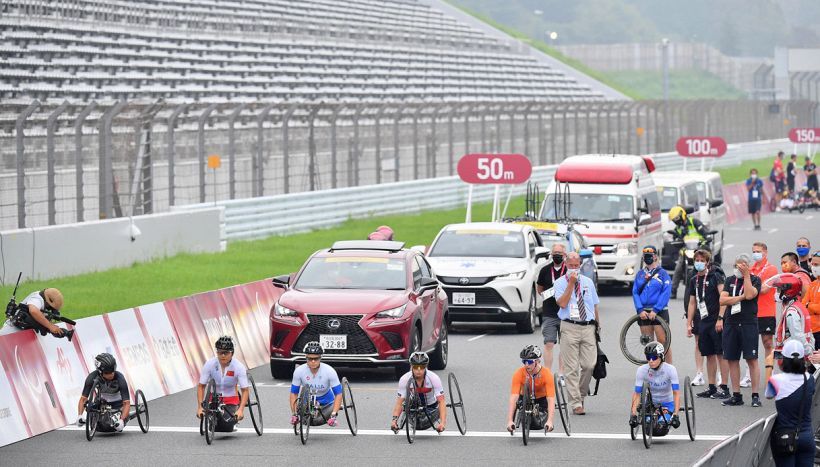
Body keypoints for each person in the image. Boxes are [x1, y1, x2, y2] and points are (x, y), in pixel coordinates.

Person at [554, 251, 600, 415]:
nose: (574, 268)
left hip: (588, 326)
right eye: (571, 266)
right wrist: (571, 284)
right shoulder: (560, 283)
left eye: (576, 265)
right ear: (566, 264)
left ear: (580, 264)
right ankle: (575, 403)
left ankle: (579, 395)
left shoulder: (588, 281)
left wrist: (597, 325)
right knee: (571, 368)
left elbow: (594, 305)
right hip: (569, 326)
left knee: (589, 365)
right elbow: (563, 303)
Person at [718, 254, 761, 407]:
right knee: (732, 359)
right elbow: (722, 300)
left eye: (743, 265)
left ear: (748, 266)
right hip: (731, 323)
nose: (739, 268)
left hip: (748, 323)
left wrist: (747, 276)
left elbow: (750, 295)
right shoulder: (729, 280)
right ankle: (736, 395)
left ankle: (755, 395)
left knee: (751, 359)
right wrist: (741, 297)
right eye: (737, 265)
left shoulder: (755, 280)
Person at [686, 249, 730, 399]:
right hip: (702, 321)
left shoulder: (715, 277)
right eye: (696, 260)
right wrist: (689, 323)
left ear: (707, 262)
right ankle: (711, 387)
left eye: (702, 260)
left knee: (720, 353)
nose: (699, 263)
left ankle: (724, 387)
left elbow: (723, 298)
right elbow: (692, 303)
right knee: (708, 353)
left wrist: (720, 318)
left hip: (715, 320)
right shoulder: (694, 280)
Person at [766, 339, 815, 467]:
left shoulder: (776, 380)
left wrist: (769, 366)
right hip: (806, 436)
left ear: (783, 360)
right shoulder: (809, 379)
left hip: (785, 438)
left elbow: (768, 395)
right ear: (803, 359)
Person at [197, 336, 249, 432]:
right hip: (213, 399)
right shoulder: (210, 364)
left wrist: (241, 410)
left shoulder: (238, 367)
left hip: (231, 400)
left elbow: (245, 390)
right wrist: (200, 407)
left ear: (232, 353)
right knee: (214, 427)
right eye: (220, 352)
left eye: (226, 353)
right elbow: (201, 386)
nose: (223, 355)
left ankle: (230, 422)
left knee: (227, 428)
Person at [629, 342, 680, 437]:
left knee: (661, 426)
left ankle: (666, 418)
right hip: (651, 404)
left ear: (661, 357)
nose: (651, 361)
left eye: (654, 357)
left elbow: (676, 393)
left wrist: (676, 415)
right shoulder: (642, 370)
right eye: (648, 357)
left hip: (668, 403)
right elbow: (637, 393)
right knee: (649, 426)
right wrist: (633, 414)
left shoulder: (671, 370)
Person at [632, 245, 673, 363]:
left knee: (663, 341)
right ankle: (651, 369)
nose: (648, 258)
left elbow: (666, 292)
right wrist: (639, 310)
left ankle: (668, 368)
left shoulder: (663, 273)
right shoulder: (640, 274)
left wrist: (656, 309)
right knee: (648, 343)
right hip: (643, 312)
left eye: (650, 255)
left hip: (659, 311)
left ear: (655, 256)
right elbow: (635, 292)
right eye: (645, 256)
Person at [290, 342, 343, 427]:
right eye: (310, 359)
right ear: (306, 358)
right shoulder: (299, 371)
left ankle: (330, 414)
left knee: (318, 420)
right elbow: (293, 393)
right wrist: (294, 414)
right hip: (307, 402)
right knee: (305, 420)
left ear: (320, 358)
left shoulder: (329, 371)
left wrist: (334, 414)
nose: (313, 361)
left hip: (327, 403)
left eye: (316, 358)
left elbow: (339, 394)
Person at [391, 351, 446, 433]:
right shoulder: (404, 379)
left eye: (422, 367)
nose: (418, 370)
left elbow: (441, 401)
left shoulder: (434, 378)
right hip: (413, 407)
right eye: (416, 367)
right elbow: (399, 403)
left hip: (431, 408)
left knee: (424, 421)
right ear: (411, 366)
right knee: (405, 402)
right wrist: (394, 421)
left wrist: (442, 423)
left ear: (426, 366)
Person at [506, 345, 555, 433]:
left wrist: (550, 421)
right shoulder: (518, 373)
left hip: (541, 399)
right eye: (524, 361)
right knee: (525, 412)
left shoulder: (546, 374)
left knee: (538, 419)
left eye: (529, 361)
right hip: (525, 397)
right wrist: (509, 420)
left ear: (537, 361)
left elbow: (551, 399)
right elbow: (514, 397)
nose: (526, 365)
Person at [76, 353, 131, 432]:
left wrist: (122, 420)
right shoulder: (92, 377)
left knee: (113, 426)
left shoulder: (120, 378)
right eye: (107, 373)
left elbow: (126, 403)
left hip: (118, 403)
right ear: (100, 372)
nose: (111, 374)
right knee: (98, 424)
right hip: (101, 402)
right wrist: (80, 415)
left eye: (113, 371)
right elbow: (83, 399)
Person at [750, 242, 779, 383]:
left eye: (759, 251)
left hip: (767, 311)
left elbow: (764, 289)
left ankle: (770, 371)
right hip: (751, 312)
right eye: (754, 251)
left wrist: (751, 288)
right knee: (750, 344)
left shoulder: (771, 269)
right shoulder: (750, 269)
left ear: (765, 253)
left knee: (767, 343)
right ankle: (749, 375)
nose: (756, 253)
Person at [667, 205, 709, 299]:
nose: (676, 221)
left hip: (700, 250)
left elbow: (705, 232)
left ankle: (711, 284)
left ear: (682, 214)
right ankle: (673, 290)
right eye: (674, 220)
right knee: (678, 268)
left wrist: (707, 237)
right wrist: (677, 240)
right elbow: (676, 238)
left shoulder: (694, 222)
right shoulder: (677, 229)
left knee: (710, 263)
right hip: (685, 251)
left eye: (677, 218)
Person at [537, 243, 566, 373]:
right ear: (551, 255)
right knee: (549, 343)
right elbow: (540, 289)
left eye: (560, 254)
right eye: (555, 254)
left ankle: (561, 373)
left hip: (565, 313)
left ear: (564, 255)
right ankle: (547, 373)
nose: (557, 256)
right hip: (549, 312)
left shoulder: (568, 270)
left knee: (564, 345)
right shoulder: (544, 270)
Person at [1, 287, 72, 340]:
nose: (49, 310)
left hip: (22, 333)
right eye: (50, 308)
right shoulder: (37, 299)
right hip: (12, 330)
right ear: (47, 302)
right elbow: (33, 311)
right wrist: (50, 326)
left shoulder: (41, 295)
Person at [772, 273, 815, 358]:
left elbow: (797, 336)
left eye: (778, 290)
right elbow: (809, 332)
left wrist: (807, 351)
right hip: (801, 353)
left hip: (794, 355)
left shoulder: (791, 312)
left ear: (787, 291)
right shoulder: (798, 306)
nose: (776, 293)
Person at [803, 251, 820, 349]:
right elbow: (803, 304)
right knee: (812, 363)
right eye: (812, 264)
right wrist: (810, 306)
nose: (813, 267)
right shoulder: (813, 284)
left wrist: (809, 305)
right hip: (811, 330)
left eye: (816, 265)